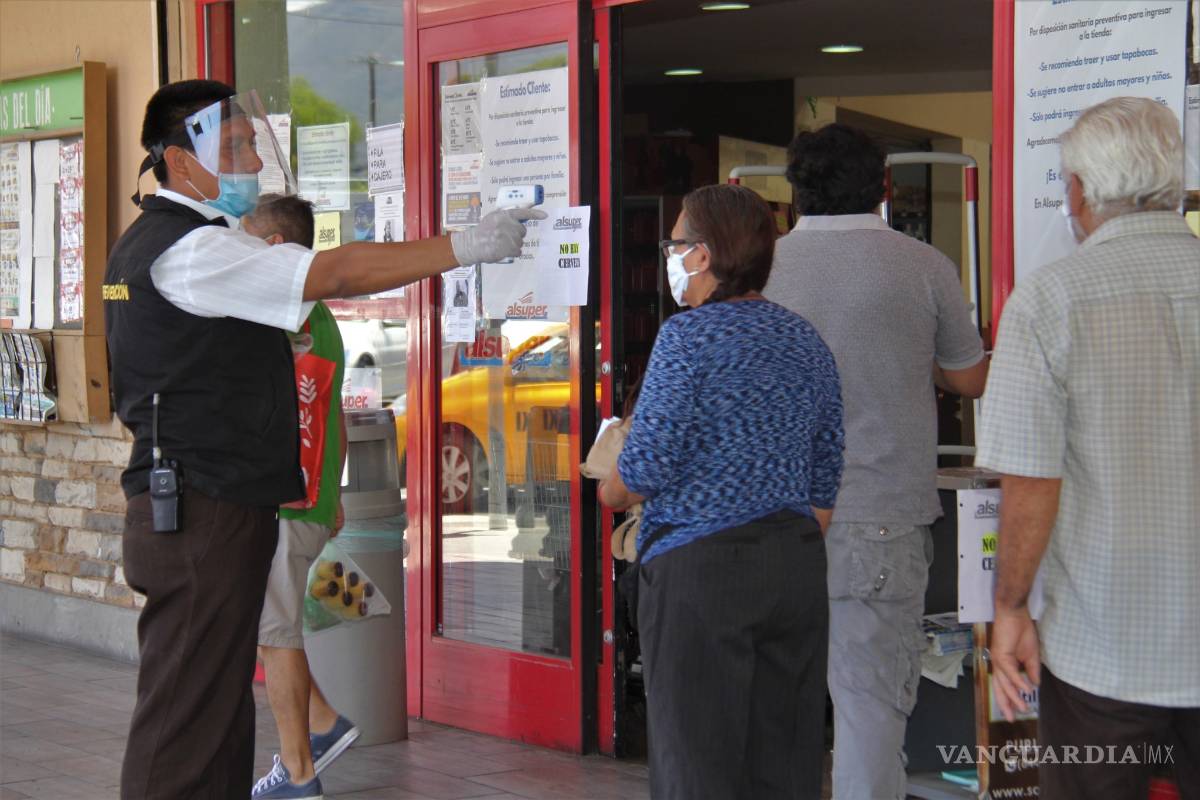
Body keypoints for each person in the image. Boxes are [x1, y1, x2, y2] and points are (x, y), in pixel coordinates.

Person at [104, 80, 540, 800]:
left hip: (204, 502)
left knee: (211, 710)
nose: (249, 157)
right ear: (181, 162)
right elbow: (335, 270)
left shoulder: (173, 243)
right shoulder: (192, 251)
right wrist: (465, 244)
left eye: (252, 142)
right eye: (234, 145)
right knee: (184, 717)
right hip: (199, 508)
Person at [976, 97, 1199, 799]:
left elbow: (1033, 483)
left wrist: (1009, 607)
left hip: (1105, 644)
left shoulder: (1050, 301)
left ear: (1078, 192)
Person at [599, 183, 845, 799]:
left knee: (697, 767)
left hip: (700, 573)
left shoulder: (688, 338)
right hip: (793, 564)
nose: (670, 256)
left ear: (703, 255)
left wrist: (611, 486)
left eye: (675, 243)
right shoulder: (804, 339)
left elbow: (646, 469)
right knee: (784, 764)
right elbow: (825, 474)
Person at [765, 123, 987, 799]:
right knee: (870, 715)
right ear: (883, 186)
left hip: (773, 522)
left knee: (775, 712)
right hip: (880, 517)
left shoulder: (761, 267)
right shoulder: (923, 266)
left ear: (795, 189)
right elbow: (969, 378)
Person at [233, 194, 355, 800]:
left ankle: (299, 772)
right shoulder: (318, 312)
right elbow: (331, 416)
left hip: (286, 502)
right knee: (274, 630)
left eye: (243, 239)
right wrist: (333, 493)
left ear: (274, 248)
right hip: (307, 499)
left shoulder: (287, 316)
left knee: (275, 635)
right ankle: (325, 723)